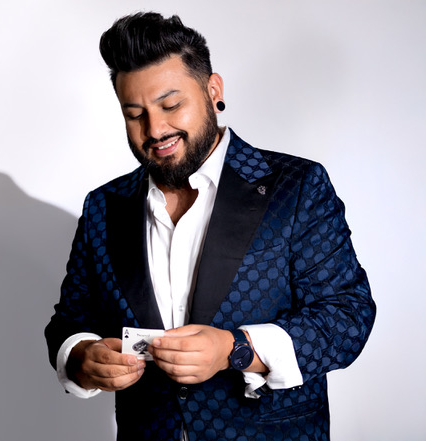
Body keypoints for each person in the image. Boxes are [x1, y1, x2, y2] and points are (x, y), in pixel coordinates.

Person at [45, 12, 375, 441]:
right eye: (135, 114)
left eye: (171, 105)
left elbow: (347, 317)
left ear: (213, 90)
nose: (155, 129)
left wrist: (235, 350)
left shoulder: (296, 187)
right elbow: (70, 319)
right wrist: (82, 357)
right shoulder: (103, 207)